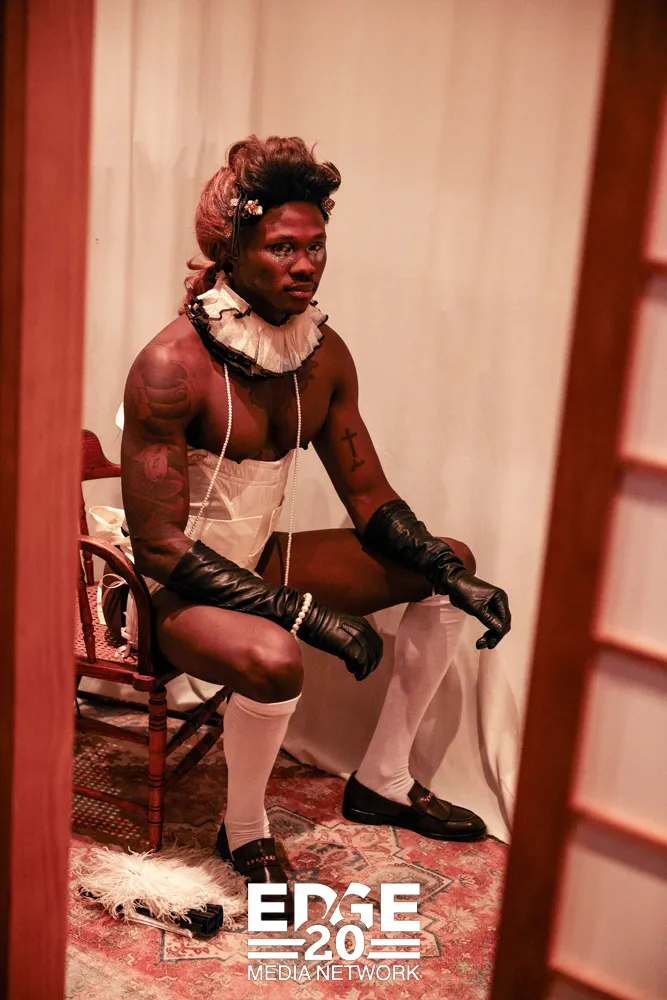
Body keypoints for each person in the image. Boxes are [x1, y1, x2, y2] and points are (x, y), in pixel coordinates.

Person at [120, 135, 511, 922]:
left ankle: (384, 780)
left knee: (449, 560)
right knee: (276, 658)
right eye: (282, 248)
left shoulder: (322, 356)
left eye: (316, 246)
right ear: (232, 250)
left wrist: (445, 571)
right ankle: (242, 831)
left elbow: (367, 494)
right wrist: (300, 614)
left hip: (257, 561)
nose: (304, 266)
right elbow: (161, 546)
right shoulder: (171, 366)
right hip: (169, 592)